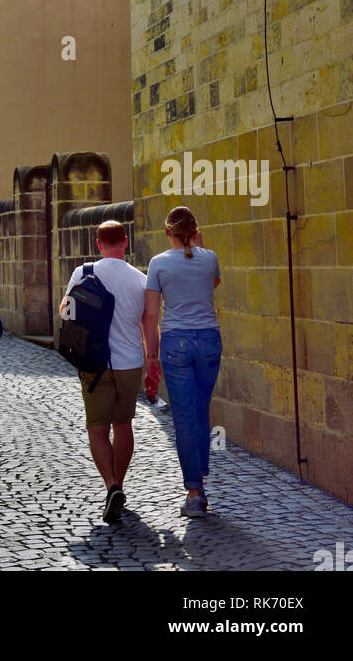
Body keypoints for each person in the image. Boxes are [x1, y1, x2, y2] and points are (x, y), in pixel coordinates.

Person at [61, 220, 148, 523]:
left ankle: (110, 485)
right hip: (130, 363)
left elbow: (65, 312)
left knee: (97, 430)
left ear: (98, 244)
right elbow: (147, 325)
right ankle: (120, 486)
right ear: (126, 241)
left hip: (94, 363)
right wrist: (154, 364)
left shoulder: (84, 273)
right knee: (123, 426)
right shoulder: (141, 279)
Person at [143, 206, 222, 518]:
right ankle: (200, 482)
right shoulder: (210, 258)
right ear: (195, 231)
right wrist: (197, 246)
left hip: (176, 341)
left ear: (167, 233)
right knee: (201, 411)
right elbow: (210, 285)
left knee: (184, 417)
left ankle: (194, 492)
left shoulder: (158, 263)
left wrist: (151, 356)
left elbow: (151, 314)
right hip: (209, 341)